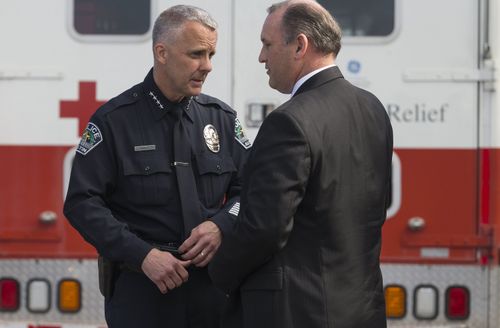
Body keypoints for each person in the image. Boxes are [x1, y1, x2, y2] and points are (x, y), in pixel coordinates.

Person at [63, 5, 250, 328]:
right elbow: (82, 203)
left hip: (213, 292)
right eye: (196, 54)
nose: (207, 66)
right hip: (143, 293)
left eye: (211, 55)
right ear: (161, 53)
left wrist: (222, 224)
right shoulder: (114, 122)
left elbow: (250, 189)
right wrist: (143, 255)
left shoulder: (221, 119)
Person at [208, 1, 393, 327]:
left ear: (300, 46)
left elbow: (264, 228)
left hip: (299, 311)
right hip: (362, 308)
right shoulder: (372, 109)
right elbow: (375, 207)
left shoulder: (289, 122)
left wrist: (218, 272)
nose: (262, 57)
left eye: (267, 44)